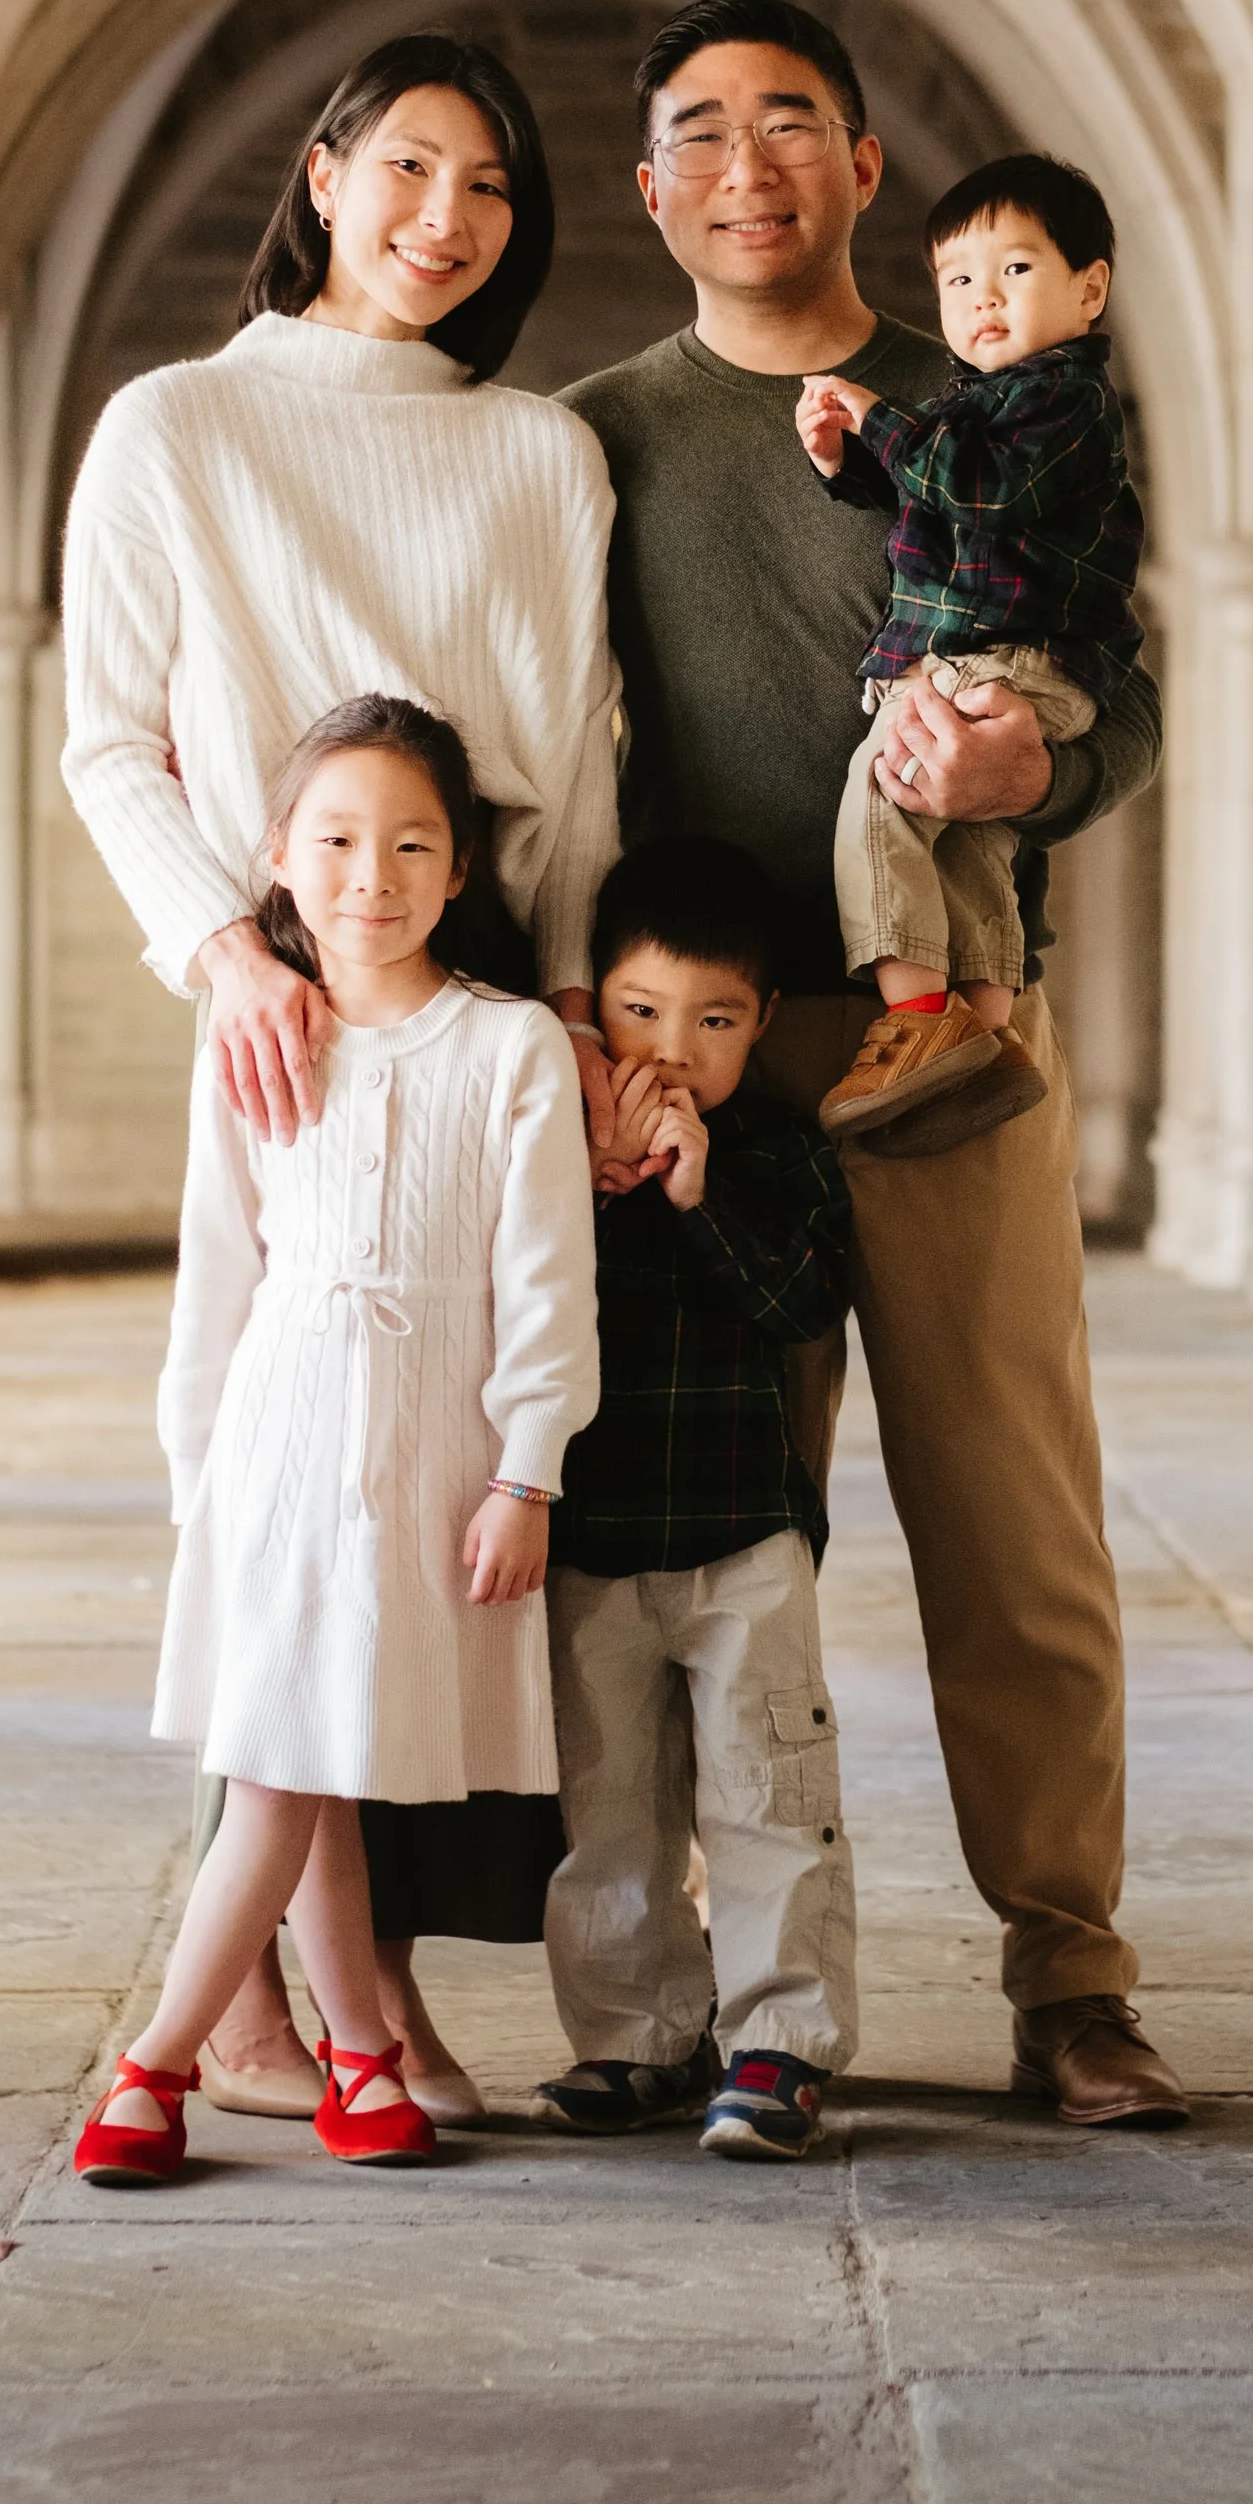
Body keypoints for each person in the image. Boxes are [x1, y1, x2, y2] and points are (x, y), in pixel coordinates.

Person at [562, 0, 1188, 2132]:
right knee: (718, 1551)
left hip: (954, 1042)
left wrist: (1043, 759)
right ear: (651, 188)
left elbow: (1120, 687)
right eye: (700, 131)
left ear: (861, 167)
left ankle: (1071, 1979)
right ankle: (729, 2004)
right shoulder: (593, 441)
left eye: (790, 124)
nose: (746, 166)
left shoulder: (993, 394)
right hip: (702, 1067)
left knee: (1015, 1524)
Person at [59, 33, 620, 2126]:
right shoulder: (174, 426)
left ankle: (365, 1993)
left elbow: (576, 768)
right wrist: (225, 951)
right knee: (293, 1474)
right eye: (405, 167)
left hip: (479, 992)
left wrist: (576, 1003)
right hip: (281, 989)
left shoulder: (538, 454)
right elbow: (109, 736)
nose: (442, 218)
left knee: (442, 1494)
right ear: (321, 173)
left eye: (488, 186)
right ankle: (292, 2008)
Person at [71, 700, 601, 2186]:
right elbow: (216, 1273)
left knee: (323, 1750)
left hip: (431, 1451)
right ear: (277, 856)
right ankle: (164, 2062)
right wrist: (198, 1478)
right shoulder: (251, 1036)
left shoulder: (507, 1045)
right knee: (285, 1759)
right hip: (277, 1440)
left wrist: (528, 1468)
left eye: (413, 845)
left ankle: (349, 2053)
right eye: (339, 840)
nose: (374, 876)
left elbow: (549, 1284)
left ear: (460, 867)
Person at [531, 837, 856, 2163]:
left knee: (768, 1785)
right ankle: (637, 2036)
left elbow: (802, 1306)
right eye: (640, 1011)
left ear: (762, 1021)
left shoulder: (778, 1154)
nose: (674, 1050)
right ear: (589, 1008)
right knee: (609, 1804)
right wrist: (595, 1184)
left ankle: (780, 2041)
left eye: (714, 1020)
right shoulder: (554, 1160)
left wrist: (699, 1192)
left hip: (743, 1536)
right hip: (593, 1537)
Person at [797, 151, 1142, 1145]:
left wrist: (876, 415)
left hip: (1002, 658)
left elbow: (979, 494)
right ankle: (985, 1036)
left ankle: (915, 1020)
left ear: (1089, 289)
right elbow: (934, 502)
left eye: (1014, 270)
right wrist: (845, 463)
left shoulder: (1063, 400)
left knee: (884, 789)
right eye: (956, 279)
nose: (981, 297)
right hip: (1011, 662)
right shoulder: (979, 408)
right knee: (974, 843)